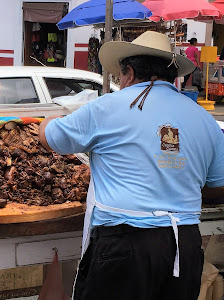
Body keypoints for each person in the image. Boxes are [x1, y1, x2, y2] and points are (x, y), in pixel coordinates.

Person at [39, 31, 224, 300]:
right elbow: (218, 186)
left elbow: (51, 139)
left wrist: (45, 122)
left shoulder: (106, 107)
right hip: (184, 245)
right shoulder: (203, 118)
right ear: (171, 75)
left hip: (125, 244)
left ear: (128, 71)